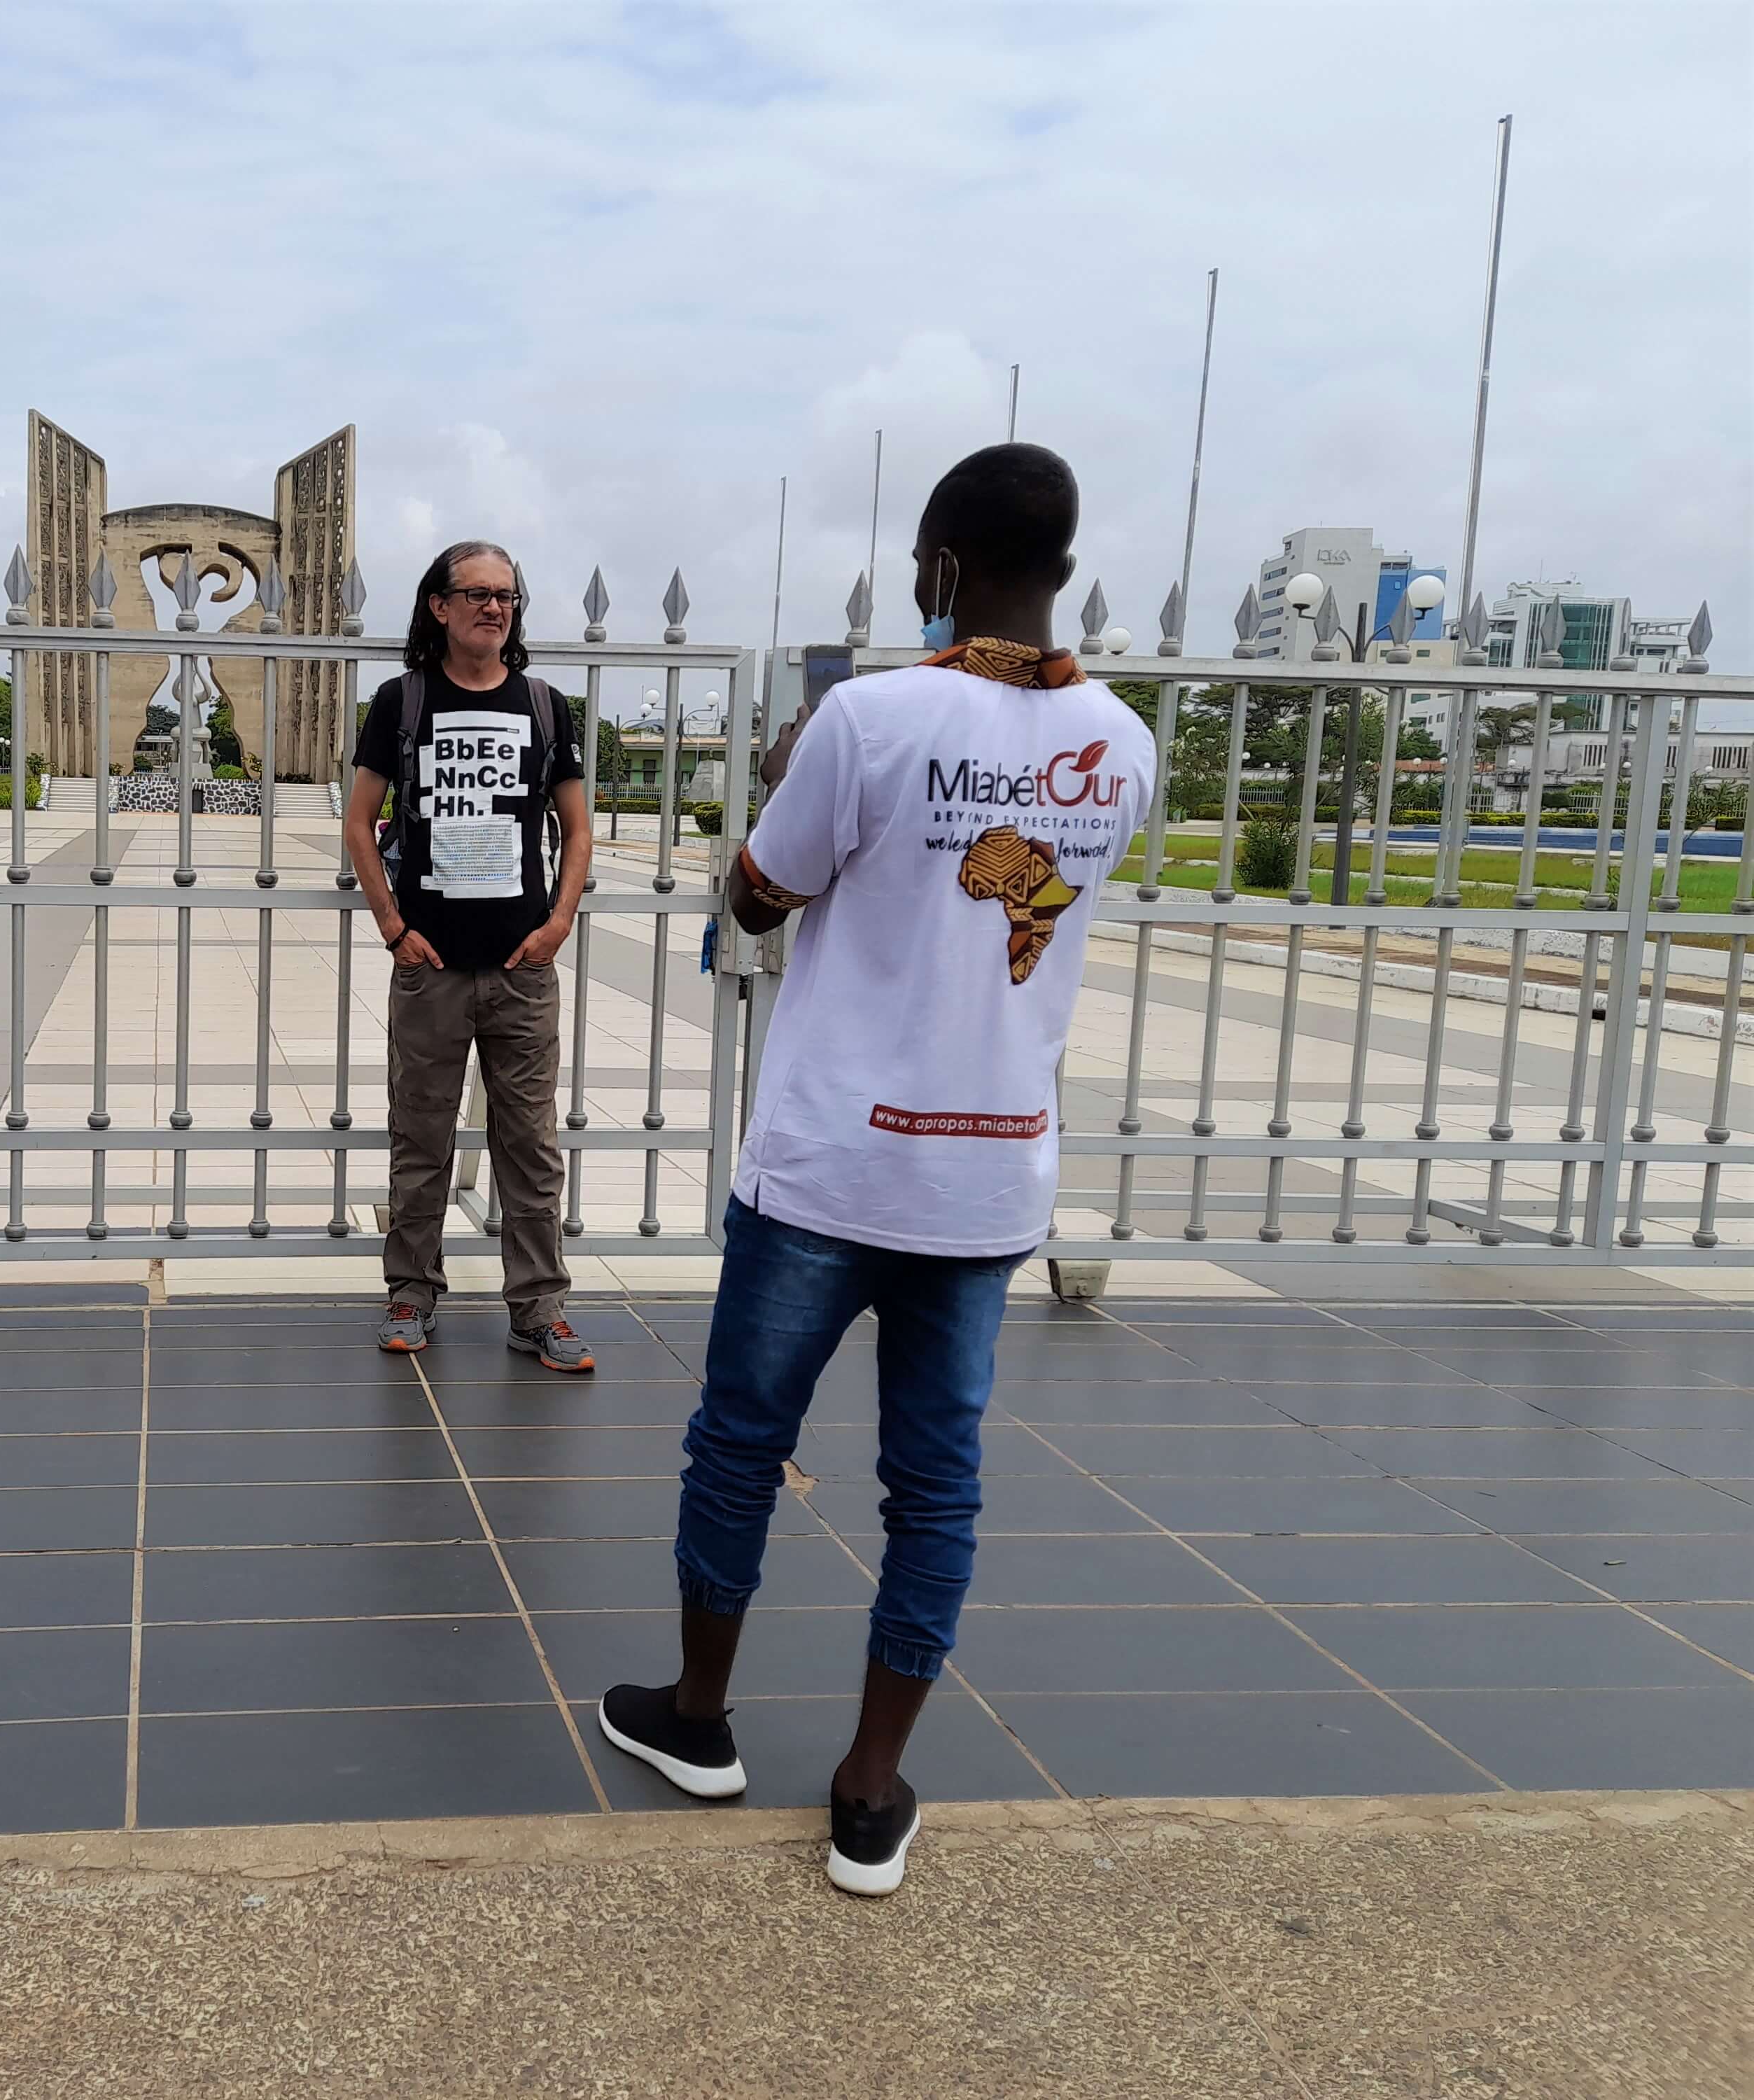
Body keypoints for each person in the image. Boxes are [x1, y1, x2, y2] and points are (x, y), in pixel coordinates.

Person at [596, 444, 1155, 1894]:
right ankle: (867, 1786)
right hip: (983, 1187)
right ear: (1063, 568)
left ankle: (701, 1722)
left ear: (939, 568)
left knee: (738, 1444)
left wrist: (785, 777)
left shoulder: (865, 717)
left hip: (828, 1170)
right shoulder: (1123, 742)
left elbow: (756, 896)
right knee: (935, 1488)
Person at [344, 540, 596, 1373]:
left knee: (528, 1144)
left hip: (522, 969)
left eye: (507, 596)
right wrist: (391, 926)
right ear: (438, 607)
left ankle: (539, 1307)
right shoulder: (401, 702)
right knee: (420, 1140)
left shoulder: (546, 705)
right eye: (476, 594)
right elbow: (359, 823)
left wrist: (559, 920)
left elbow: (578, 827)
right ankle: (411, 1293)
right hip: (430, 966)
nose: (494, 607)